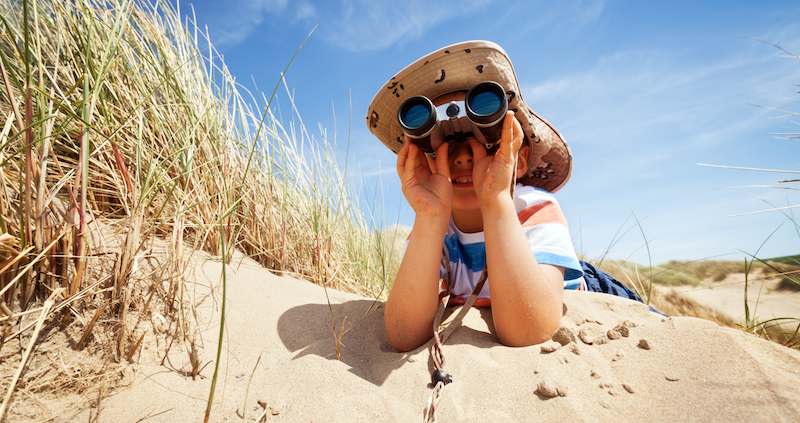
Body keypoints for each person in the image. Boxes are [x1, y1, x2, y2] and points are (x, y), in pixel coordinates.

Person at [366, 41, 648, 353]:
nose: (462, 156)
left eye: (482, 136)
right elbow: (403, 335)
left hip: (568, 284)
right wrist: (430, 216)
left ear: (519, 160)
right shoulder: (433, 232)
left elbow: (530, 330)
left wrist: (496, 198)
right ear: (422, 159)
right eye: (442, 142)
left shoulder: (533, 209)